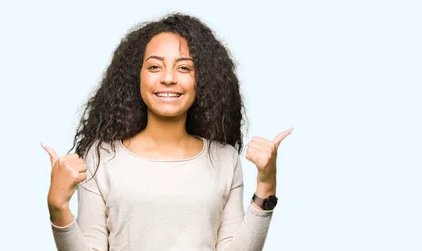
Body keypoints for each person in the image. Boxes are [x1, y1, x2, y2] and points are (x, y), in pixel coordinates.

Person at [41, 13, 292, 251]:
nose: (169, 78)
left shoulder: (225, 159)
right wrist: (58, 206)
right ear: (136, 77)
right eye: (154, 67)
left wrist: (266, 184)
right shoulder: (102, 156)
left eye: (184, 68)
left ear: (202, 80)